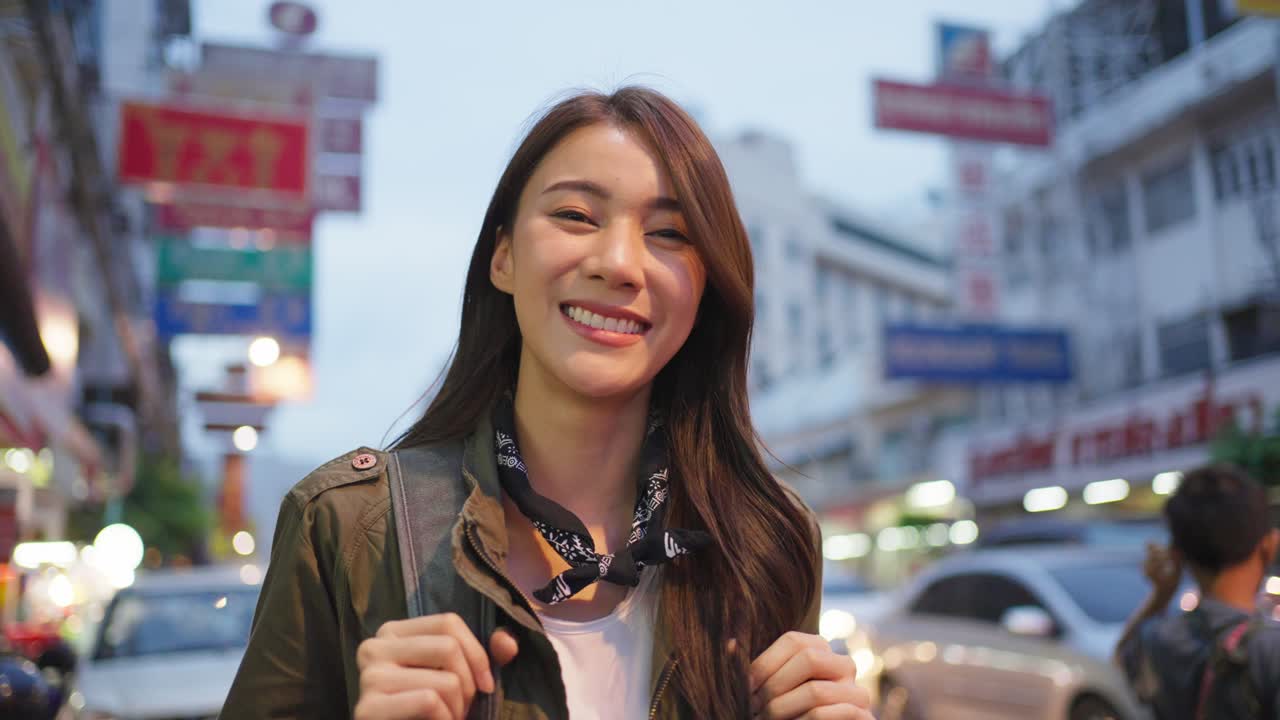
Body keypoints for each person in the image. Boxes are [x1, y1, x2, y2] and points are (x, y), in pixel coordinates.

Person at [221, 87, 872, 720]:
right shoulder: (346, 527)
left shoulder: (768, 543)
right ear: (502, 257)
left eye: (669, 233)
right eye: (576, 217)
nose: (619, 263)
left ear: (705, 291)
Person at [1115, 464, 1280, 719]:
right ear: (1269, 546)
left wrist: (1161, 594)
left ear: (1178, 555)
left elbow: (1122, 658)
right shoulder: (1270, 649)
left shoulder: (1159, 638)